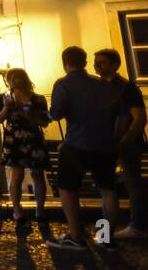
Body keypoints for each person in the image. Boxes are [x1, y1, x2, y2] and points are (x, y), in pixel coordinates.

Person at [48, 46, 121, 251]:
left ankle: (76, 236)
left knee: (68, 188)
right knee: (108, 190)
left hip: (77, 144)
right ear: (85, 62)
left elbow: (57, 113)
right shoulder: (103, 85)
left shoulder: (63, 84)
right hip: (105, 145)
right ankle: (107, 238)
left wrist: (48, 113)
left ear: (65, 63)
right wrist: (115, 137)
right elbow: (121, 114)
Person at [93, 48, 148, 241]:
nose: (97, 65)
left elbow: (140, 118)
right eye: (96, 62)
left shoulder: (126, 88)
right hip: (104, 143)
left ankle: (138, 226)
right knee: (107, 187)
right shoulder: (97, 86)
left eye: (102, 62)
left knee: (132, 183)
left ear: (115, 65)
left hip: (126, 144)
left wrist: (124, 141)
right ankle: (105, 233)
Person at [0, 68, 50, 227]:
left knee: (37, 173)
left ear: (24, 79)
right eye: (9, 78)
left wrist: (26, 112)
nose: (13, 81)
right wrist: (7, 107)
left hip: (33, 137)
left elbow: (44, 121)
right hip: (14, 138)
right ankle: (17, 210)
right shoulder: (4, 97)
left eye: (16, 77)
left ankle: (40, 209)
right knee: (16, 174)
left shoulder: (38, 99)